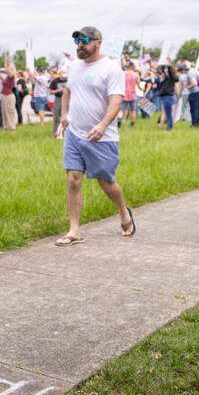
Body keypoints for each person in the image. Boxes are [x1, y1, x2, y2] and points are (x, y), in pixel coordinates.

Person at [55, 26, 135, 245]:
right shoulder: (74, 66)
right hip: (74, 133)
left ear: (98, 42)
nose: (80, 46)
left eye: (84, 41)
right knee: (73, 180)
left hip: (101, 136)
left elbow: (116, 100)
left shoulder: (110, 68)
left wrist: (102, 125)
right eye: (77, 42)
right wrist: (64, 115)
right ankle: (74, 230)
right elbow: (68, 91)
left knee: (106, 183)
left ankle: (123, 212)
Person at [154, 64, 178, 131]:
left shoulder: (170, 78)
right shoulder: (165, 78)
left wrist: (169, 67)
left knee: (168, 114)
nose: (164, 72)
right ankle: (168, 127)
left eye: (166, 71)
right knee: (167, 113)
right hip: (166, 97)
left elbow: (170, 73)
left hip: (168, 97)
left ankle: (169, 128)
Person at [180, 63, 199, 127]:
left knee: (194, 109)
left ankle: (194, 124)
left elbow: (194, 83)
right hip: (197, 92)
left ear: (183, 70)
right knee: (196, 109)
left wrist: (187, 87)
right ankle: (196, 123)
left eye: (181, 70)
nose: (182, 72)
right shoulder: (192, 71)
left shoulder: (189, 74)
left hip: (194, 93)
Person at [49, 67, 68, 137]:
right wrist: (58, 90)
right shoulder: (55, 81)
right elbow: (50, 92)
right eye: (63, 75)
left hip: (68, 99)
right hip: (58, 98)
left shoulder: (69, 80)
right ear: (60, 74)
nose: (64, 77)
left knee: (68, 116)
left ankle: (66, 133)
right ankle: (55, 133)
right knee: (56, 117)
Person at [120, 62, 140, 128]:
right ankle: (132, 124)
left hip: (124, 94)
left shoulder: (122, 74)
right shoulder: (136, 74)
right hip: (133, 95)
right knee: (133, 110)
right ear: (132, 66)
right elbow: (138, 85)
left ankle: (119, 122)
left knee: (121, 110)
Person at [0, 65, 17, 130]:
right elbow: (0, 77)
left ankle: (12, 127)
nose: (7, 70)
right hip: (4, 95)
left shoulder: (12, 76)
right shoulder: (7, 78)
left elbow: (11, 73)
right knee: (4, 112)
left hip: (9, 96)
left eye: (9, 69)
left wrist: (8, 68)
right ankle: (6, 127)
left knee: (10, 111)